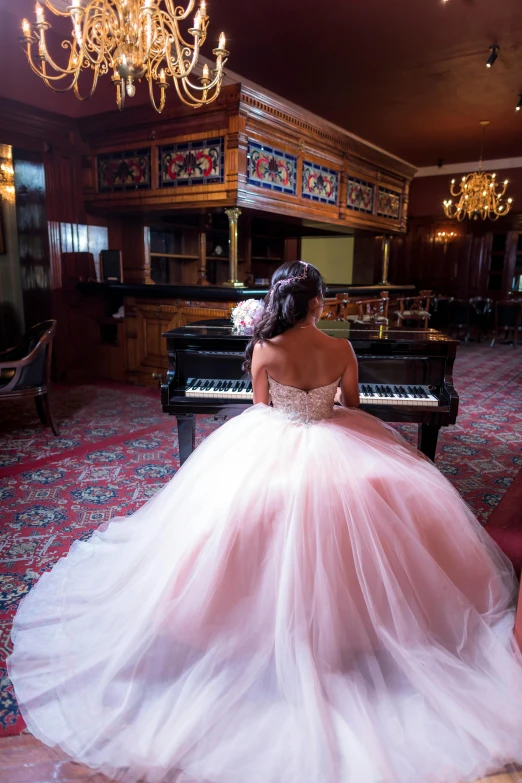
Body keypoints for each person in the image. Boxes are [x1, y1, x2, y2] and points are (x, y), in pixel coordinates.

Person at [7, 261, 522, 783]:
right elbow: (352, 403)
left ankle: (238, 620)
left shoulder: (264, 349)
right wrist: (323, 406)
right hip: (336, 436)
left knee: (235, 512)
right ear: (318, 303)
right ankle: (361, 630)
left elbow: (262, 406)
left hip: (270, 441)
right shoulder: (340, 349)